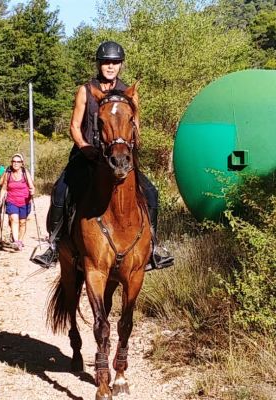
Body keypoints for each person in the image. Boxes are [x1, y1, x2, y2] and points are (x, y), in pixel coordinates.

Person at [30, 41, 173, 270]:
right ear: (99, 64)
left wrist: (127, 149)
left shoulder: (130, 94)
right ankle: (54, 245)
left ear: (120, 65)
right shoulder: (85, 90)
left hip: (118, 158)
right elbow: (74, 127)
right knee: (60, 191)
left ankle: (153, 247)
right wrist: (86, 147)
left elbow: (136, 129)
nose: (110, 66)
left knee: (151, 193)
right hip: (87, 156)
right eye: (106, 62)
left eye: (115, 62)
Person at [1, 154, 34, 250]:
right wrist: (0, 199)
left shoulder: (25, 172)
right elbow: (4, 187)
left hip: (25, 201)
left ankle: (20, 241)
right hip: (12, 200)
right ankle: (16, 242)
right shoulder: (8, 173)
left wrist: (32, 191)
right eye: (13, 161)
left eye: (18, 162)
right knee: (14, 219)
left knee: (22, 222)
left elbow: (32, 186)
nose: (15, 163)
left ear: (22, 163)